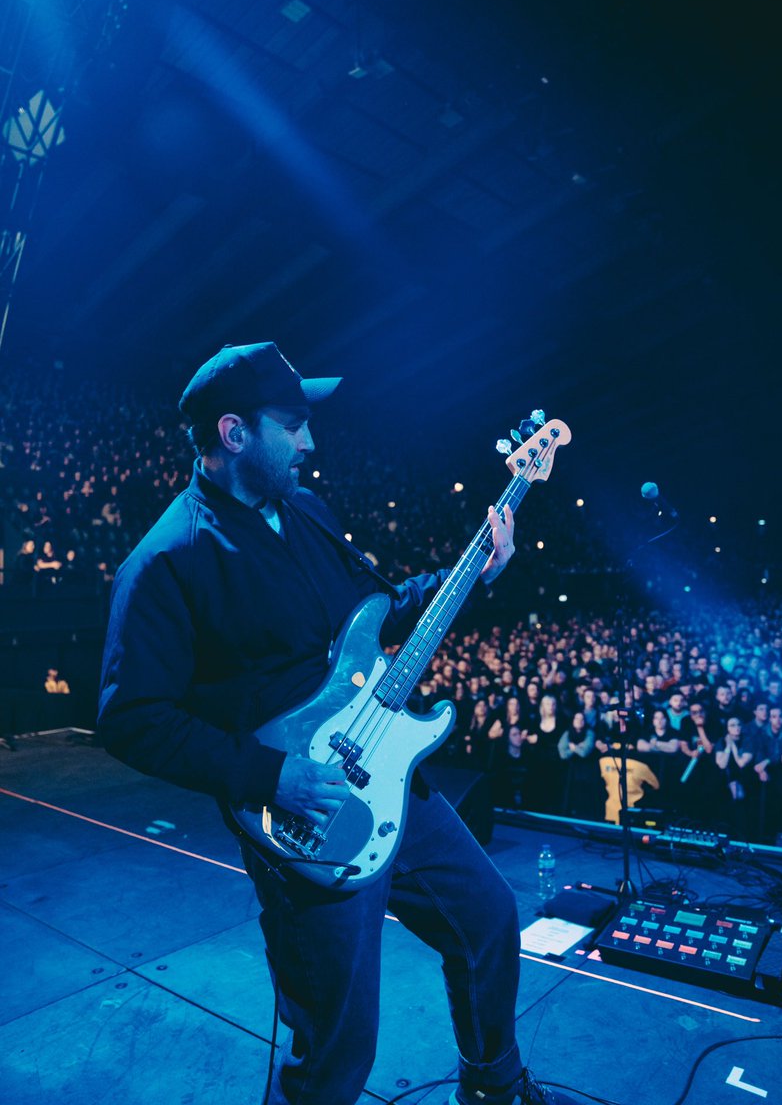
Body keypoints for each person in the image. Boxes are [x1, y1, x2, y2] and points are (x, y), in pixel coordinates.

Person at [97, 342, 579, 1105]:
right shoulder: (167, 561)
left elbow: (377, 610)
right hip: (304, 816)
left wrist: (477, 572)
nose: (310, 442)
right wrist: (271, 776)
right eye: (293, 425)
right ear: (234, 433)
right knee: (340, 1042)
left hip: (386, 770)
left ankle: (493, 1084)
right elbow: (129, 718)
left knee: (488, 920)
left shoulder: (307, 512)